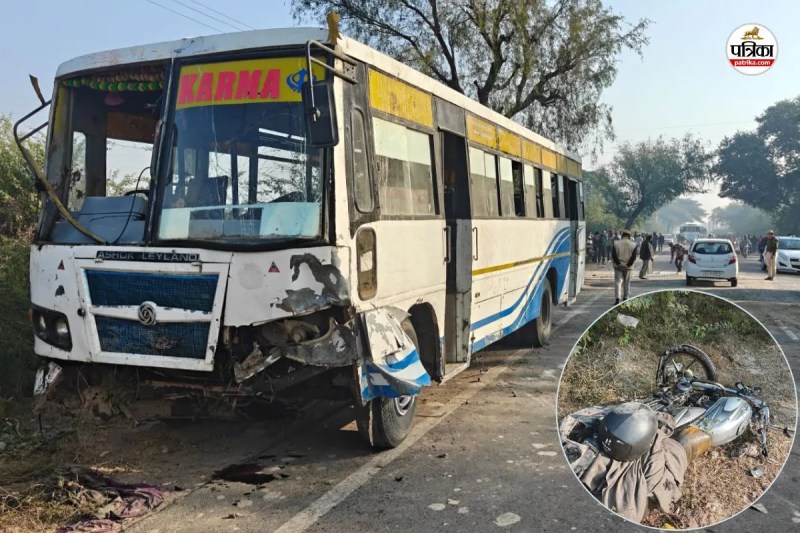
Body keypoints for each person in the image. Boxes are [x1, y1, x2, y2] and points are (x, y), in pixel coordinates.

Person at [612, 229, 638, 305]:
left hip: (618, 266)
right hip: (628, 267)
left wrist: (619, 263)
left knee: (618, 282)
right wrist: (628, 264)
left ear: (623, 235)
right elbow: (634, 257)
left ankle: (617, 298)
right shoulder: (633, 244)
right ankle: (626, 297)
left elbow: (613, 255)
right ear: (629, 236)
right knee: (626, 282)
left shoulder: (616, 243)